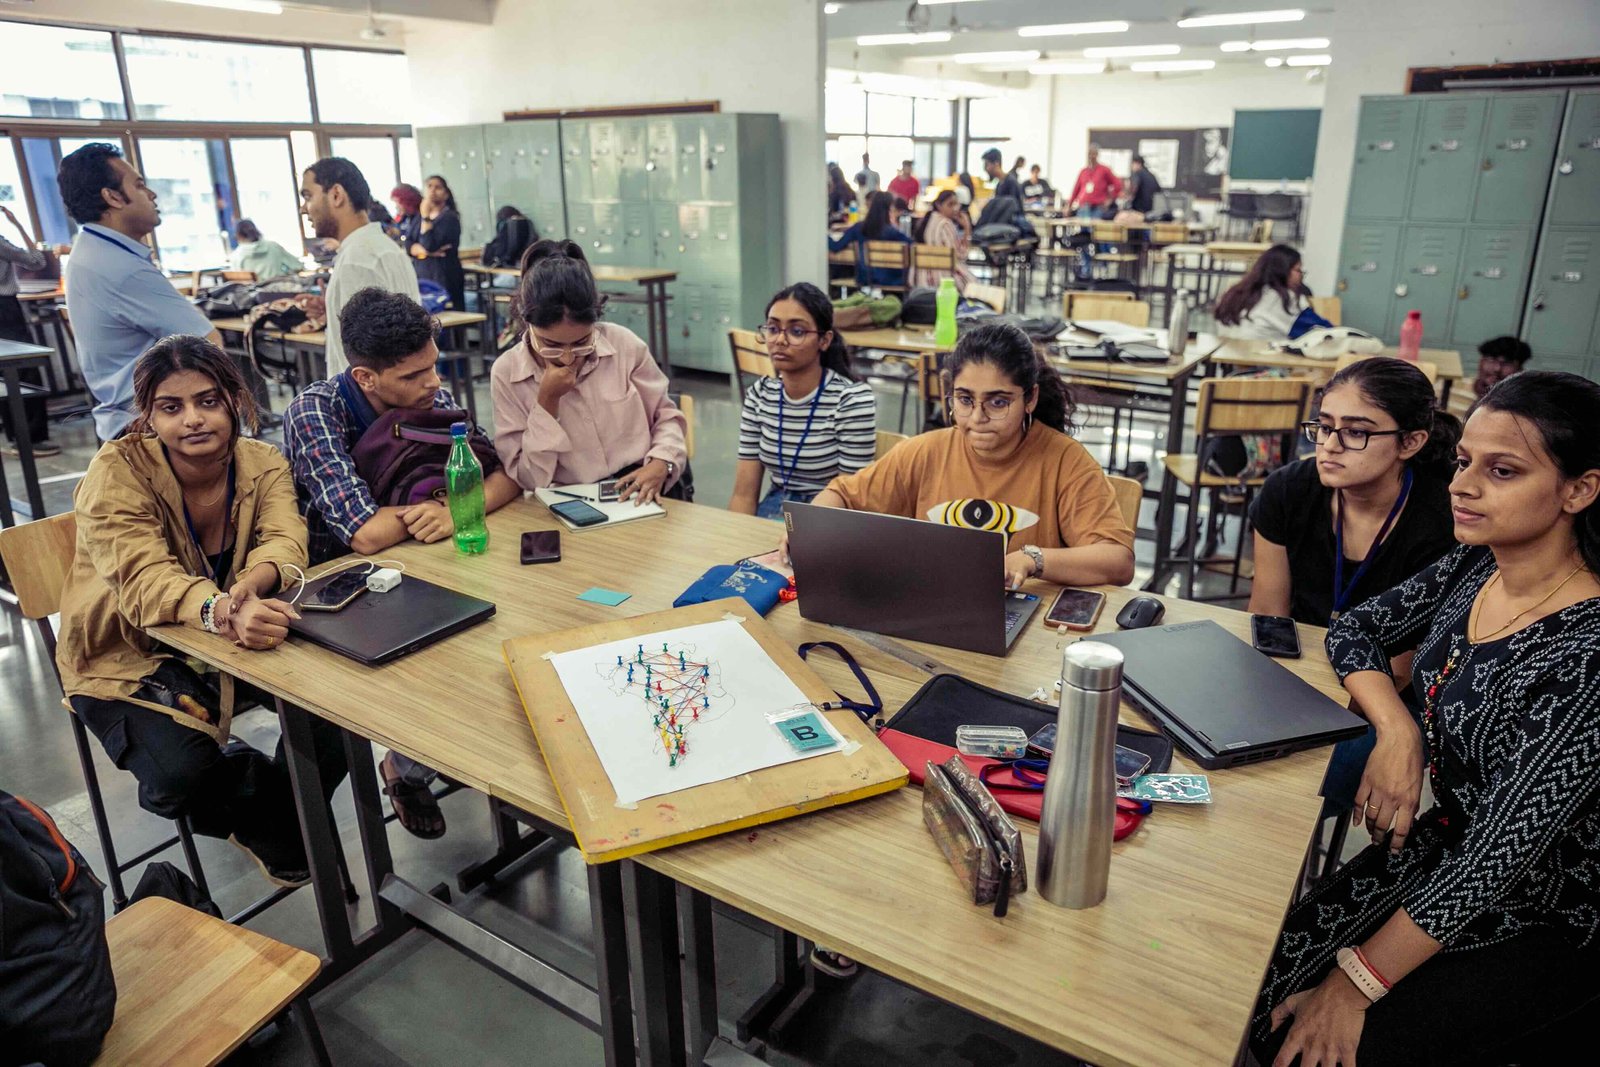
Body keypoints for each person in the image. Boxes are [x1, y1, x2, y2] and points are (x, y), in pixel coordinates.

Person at [1252, 369, 1600, 1067]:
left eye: (1502, 470)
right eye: (1465, 461)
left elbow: (1496, 860)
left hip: (1553, 907)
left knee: (1305, 1044)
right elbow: (1354, 629)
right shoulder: (1479, 565)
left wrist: (1353, 986)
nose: (1462, 486)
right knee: (1260, 988)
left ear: (1579, 490)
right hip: (1453, 840)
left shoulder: (1586, 654)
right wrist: (1397, 727)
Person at [56, 336, 347, 887]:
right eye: (171, 407)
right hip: (127, 655)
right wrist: (222, 610)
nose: (192, 419)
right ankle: (275, 809)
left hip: (232, 642)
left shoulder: (261, 462)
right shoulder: (116, 472)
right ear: (148, 416)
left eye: (208, 401)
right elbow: (144, 582)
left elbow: (286, 538)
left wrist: (253, 582)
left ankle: (284, 822)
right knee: (179, 777)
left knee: (344, 713)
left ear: (234, 399)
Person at [283, 288, 519, 838]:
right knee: (430, 667)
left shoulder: (429, 396)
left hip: (430, 564)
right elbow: (364, 535)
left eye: (433, 366)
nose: (434, 383)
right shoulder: (315, 412)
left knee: (497, 638)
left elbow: (507, 478)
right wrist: (455, 503)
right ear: (365, 377)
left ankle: (430, 759)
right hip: (341, 592)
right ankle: (399, 771)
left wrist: (451, 509)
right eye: (414, 375)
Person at [1249, 357, 1460, 820]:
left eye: (1356, 432)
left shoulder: (1442, 522)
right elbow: (1268, 617)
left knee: (1302, 775)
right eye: (1324, 427)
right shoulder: (1289, 490)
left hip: (1387, 698)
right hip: (1297, 671)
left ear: (1410, 442)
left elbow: (1401, 671)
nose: (1330, 446)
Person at [796, 323, 1136, 590]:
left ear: (1030, 399)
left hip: (1025, 623)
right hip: (933, 605)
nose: (977, 418)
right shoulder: (926, 451)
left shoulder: (1065, 461)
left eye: (998, 402)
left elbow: (1118, 560)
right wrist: (809, 533)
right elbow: (840, 495)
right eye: (965, 400)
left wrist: (1032, 559)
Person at [491, 240, 688, 502]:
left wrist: (662, 461)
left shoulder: (624, 345)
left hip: (641, 486)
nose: (568, 356)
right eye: (551, 345)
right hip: (571, 499)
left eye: (582, 342)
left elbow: (666, 416)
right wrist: (547, 402)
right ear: (527, 323)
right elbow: (528, 478)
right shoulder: (507, 373)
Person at [58, 142, 222, 442]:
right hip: (149, 426)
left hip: (128, 418)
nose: (152, 194)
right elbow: (210, 345)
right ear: (113, 197)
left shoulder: (92, 249)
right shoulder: (118, 266)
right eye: (139, 185)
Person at [730, 283, 876, 520]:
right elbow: (743, 495)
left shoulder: (850, 400)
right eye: (772, 329)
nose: (780, 340)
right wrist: (736, 536)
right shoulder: (760, 395)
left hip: (828, 515)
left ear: (824, 340)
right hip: (774, 507)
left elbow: (852, 498)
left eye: (796, 331)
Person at [300, 157, 419, 377]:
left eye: (308, 196)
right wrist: (333, 310)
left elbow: (367, 355)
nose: (303, 209)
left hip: (366, 396)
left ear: (336, 195)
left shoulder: (357, 259)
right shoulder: (384, 247)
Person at [0, 205, 68, 457]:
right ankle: (32, 439)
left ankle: (15, 438)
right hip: (5, 310)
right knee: (26, 371)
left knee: (6, 376)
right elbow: (37, 260)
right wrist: (17, 224)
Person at [1213, 244, 1313, 340]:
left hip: (1228, 350)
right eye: (1298, 270)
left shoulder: (1233, 294)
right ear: (1283, 271)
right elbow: (1317, 332)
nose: (1301, 276)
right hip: (1262, 351)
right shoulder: (1284, 299)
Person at [827, 193, 911, 288]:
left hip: (865, 278)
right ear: (890, 210)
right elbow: (912, 246)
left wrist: (823, 235)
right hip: (893, 280)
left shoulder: (858, 228)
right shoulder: (893, 233)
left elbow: (836, 247)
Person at [411, 174, 466, 311]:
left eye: (438, 187)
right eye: (429, 186)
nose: (432, 190)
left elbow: (429, 244)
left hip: (443, 276)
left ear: (446, 194)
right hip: (423, 275)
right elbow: (408, 243)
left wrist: (426, 217)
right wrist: (426, 252)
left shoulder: (449, 218)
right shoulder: (418, 218)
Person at [911, 190, 975, 291]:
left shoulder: (927, 221)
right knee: (974, 284)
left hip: (923, 279)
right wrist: (967, 228)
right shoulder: (945, 224)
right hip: (944, 277)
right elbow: (961, 255)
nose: (955, 208)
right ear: (939, 205)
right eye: (950, 204)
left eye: (956, 204)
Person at [227, 218, 302, 279]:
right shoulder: (273, 246)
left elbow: (236, 281)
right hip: (278, 289)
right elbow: (298, 266)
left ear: (238, 235)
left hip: (252, 292)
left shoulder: (236, 255)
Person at [1067, 144, 1122, 220]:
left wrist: (1110, 200)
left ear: (1097, 155)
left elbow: (1117, 184)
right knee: (1082, 226)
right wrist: (1069, 206)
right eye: (1089, 154)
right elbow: (1075, 190)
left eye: (1093, 154)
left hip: (1098, 207)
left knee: (1095, 226)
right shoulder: (1083, 172)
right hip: (1084, 207)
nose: (1091, 156)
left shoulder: (1104, 170)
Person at [390, 182, 424, 249]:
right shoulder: (405, 218)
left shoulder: (421, 218)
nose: (396, 206)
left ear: (406, 201)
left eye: (397, 202)